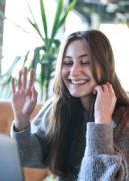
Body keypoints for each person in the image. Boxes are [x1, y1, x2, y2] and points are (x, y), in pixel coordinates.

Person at [10, 30, 129, 181]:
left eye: (85, 62)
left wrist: (102, 121)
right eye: (67, 63)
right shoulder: (60, 107)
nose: (74, 71)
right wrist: (21, 119)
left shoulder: (124, 120)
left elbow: (97, 177)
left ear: (105, 66)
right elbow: (27, 158)